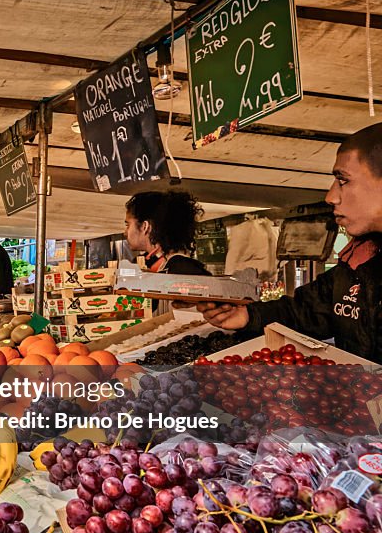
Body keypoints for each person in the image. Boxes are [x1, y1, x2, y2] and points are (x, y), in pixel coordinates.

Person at [199, 122, 382, 362]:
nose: (331, 196)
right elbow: (306, 311)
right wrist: (247, 316)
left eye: (343, 180)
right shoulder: (355, 264)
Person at [124, 190, 210, 275]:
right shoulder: (178, 266)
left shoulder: (180, 270)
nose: (125, 233)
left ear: (145, 226)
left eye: (128, 225)